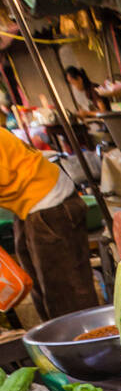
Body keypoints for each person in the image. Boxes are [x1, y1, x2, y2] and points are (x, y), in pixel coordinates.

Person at [0, 128, 95, 320]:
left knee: (66, 295)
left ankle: (82, 346)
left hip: (49, 205)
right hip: (29, 206)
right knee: (42, 291)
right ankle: (58, 343)